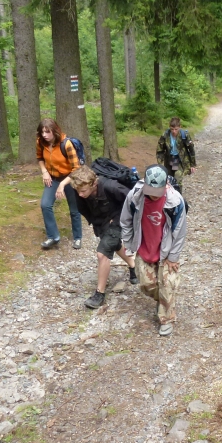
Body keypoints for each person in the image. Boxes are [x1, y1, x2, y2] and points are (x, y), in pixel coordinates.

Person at [120, 165, 186, 336]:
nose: (153, 195)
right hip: (145, 247)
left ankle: (166, 319)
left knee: (167, 284)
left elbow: (180, 232)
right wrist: (128, 243)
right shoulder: (135, 196)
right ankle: (162, 300)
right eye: (150, 191)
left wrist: (173, 257)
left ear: (165, 186)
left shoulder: (175, 201)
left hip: (166, 251)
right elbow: (126, 221)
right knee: (146, 284)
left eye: (157, 191)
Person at [68, 165, 139, 308]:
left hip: (119, 219)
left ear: (94, 184)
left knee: (102, 254)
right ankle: (134, 266)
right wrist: (97, 222)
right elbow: (83, 208)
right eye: (78, 191)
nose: (80, 194)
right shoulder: (79, 190)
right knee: (113, 244)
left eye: (83, 191)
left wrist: (123, 221)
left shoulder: (111, 187)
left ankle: (99, 294)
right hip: (101, 221)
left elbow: (134, 201)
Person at [36, 118, 83, 250]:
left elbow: (76, 169)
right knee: (45, 205)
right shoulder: (41, 142)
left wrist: (62, 185)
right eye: (42, 132)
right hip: (52, 177)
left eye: (47, 132)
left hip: (70, 178)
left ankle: (78, 237)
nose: (44, 135)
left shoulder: (66, 144)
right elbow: (39, 157)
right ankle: (53, 237)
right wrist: (44, 172)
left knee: (74, 209)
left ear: (54, 131)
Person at [156, 117, 196, 187]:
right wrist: (160, 164)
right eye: (172, 129)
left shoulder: (184, 135)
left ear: (180, 127)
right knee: (169, 180)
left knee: (177, 179)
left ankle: (178, 193)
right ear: (169, 127)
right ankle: (171, 193)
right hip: (170, 159)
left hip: (179, 160)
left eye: (176, 129)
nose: (174, 131)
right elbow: (160, 150)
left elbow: (191, 149)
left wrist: (193, 164)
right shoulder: (165, 135)